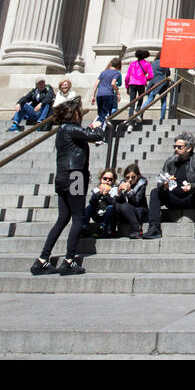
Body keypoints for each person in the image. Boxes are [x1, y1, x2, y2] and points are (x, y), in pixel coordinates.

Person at [30, 100, 106, 275]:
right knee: (78, 217)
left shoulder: (62, 130)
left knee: (63, 218)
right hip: (75, 176)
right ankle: (69, 260)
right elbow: (95, 136)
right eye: (79, 113)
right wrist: (97, 127)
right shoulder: (71, 128)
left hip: (63, 176)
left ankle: (42, 259)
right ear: (74, 114)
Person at [141, 130, 195, 240]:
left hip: (190, 197)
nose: (176, 149)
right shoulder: (170, 161)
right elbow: (161, 179)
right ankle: (154, 227)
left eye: (179, 147)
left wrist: (191, 186)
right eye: (175, 146)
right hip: (172, 197)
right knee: (155, 192)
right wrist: (163, 185)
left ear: (189, 148)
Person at [115, 163, 149, 237]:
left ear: (138, 176)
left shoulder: (141, 185)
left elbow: (136, 202)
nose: (130, 180)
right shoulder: (122, 184)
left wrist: (129, 191)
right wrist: (119, 192)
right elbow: (116, 203)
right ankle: (110, 229)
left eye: (133, 177)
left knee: (125, 206)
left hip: (139, 210)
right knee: (117, 206)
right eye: (127, 177)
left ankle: (137, 230)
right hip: (126, 212)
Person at [83, 168, 118, 238]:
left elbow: (114, 203)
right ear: (101, 179)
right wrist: (100, 193)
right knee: (89, 207)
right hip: (97, 214)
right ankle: (84, 227)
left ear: (113, 181)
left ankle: (103, 228)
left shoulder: (115, 190)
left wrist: (106, 195)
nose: (107, 181)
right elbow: (92, 202)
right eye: (105, 179)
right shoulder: (96, 190)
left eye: (110, 179)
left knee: (111, 208)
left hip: (108, 216)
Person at [125, 49, 154, 119]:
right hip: (141, 84)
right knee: (140, 99)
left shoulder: (132, 64)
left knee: (132, 101)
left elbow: (127, 77)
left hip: (132, 83)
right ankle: (137, 112)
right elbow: (151, 76)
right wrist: (145, 79)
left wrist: (127, 86)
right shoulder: (147, 64)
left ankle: (130, 116)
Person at [95, 57, 122, 124]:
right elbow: (113, 83)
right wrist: (118, 93)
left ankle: (95, 126)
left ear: (110, 63)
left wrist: (93, 95)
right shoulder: (117, 73)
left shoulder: (103, 72)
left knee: (100, 114)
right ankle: (102, 130)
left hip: (99, 94)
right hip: (108, 94)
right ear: (119, 65)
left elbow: (96, 84)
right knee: (106, 115)